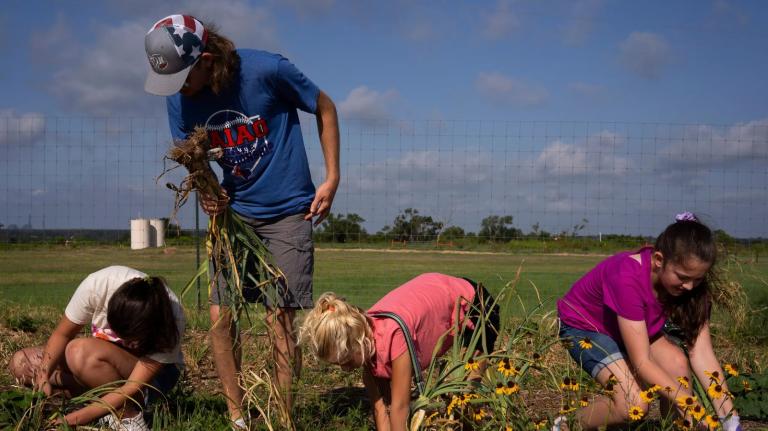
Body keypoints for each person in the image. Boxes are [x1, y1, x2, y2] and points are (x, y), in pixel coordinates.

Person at [143, 14, 340, 428]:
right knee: (220, 314)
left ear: (207, 60)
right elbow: (193, 158)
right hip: (234, 218)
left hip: (288, 211)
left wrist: (332, 178)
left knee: (279, 317)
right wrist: (208, 193)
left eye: (183, 77)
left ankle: (282, 416)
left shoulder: (267, 70)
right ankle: (237, 416)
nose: (178, 89)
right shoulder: (177, 97)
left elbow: (324, 105)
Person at [556, 212, 741, 431]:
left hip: (630, 327)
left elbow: (702, 355)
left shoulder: (693, 290)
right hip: (585, 327)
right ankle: (567, 425)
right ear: (658, 260)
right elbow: (642, 363)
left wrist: (731, 421)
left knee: (678, 365)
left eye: (698, 279)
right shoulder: (626, 278)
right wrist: (688, 402)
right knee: (633, 405)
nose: (690, 287)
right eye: (682, 277)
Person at [299, 273, 499, 431]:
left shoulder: (394, 335)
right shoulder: (364, 341)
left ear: (358, 340)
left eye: (347, 361)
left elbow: (399, 408)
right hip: (432, 290)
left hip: (474, 303)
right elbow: (380, 410)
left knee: (464, 396)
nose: (344, 369)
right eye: (338, 364)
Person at [8, 266, 185, 430]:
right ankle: (98, 403)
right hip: (103, 365)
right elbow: (62, 334)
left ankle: (128, 416)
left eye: (129, 339)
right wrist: (44, 375)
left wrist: (75, 419)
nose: (120, 340)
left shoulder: (170, 319)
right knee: (22, 363)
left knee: (79, 352)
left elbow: (130, 388)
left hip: (153, 380)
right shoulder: (97, 286)